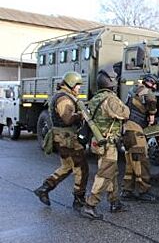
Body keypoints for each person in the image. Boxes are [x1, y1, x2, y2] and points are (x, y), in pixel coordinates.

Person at [34, 71, 89, 210]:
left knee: (67, 167)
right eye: (77, 85)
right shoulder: (64, 99)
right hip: (67, 138)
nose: (79, 88)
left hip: (63, 138)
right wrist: (81, 115)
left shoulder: (63, 96)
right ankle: (79, 199)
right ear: (71, 84)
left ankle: (44, 188)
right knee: (81, 168)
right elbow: (67, 118)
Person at [81, 66, 130, 220]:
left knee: (112, 172)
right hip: (108, 144)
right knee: (104, 174)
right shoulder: (110, 99)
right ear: (111, 83)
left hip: (99, 141)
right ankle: (90, 205)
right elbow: (125, 113)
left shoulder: (96, 98)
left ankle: (115, 202)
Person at [121, 74, 158, 202]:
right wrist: (152, 115)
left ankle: (127, 191)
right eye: (154, 84)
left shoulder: (134, 90)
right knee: (142, 161)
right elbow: (152, 101)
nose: (155, 87)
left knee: (130, 162)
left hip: (127, 129)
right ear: (150, 83)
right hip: (136, 130)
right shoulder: (147, 92)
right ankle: (144, 191)